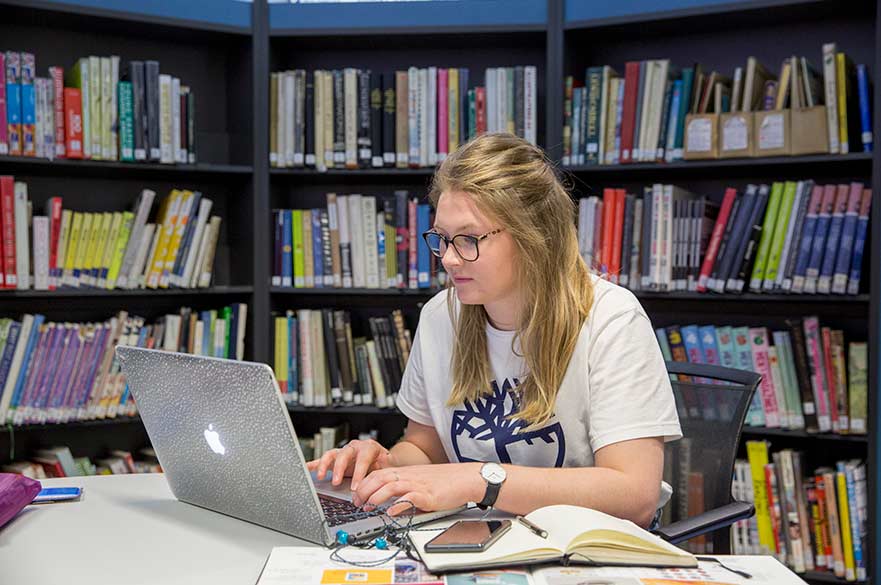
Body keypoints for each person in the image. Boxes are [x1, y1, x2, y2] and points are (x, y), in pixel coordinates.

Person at [307, 133, 681, 527]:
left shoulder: (612, 319)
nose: (449, 259)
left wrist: (479, 479)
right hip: (471, 536)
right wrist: (386, 465)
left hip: (583, 547)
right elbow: (426, 446)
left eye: (468, 239)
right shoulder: (441, 316)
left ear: (534, 236)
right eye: (442, 239)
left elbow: (634, 494)